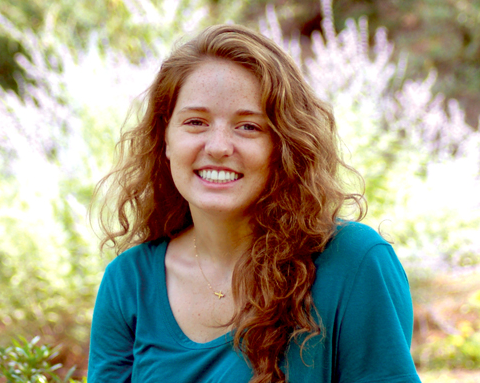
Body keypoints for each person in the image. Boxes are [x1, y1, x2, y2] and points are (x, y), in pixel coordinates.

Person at [88, 24, 421, 383]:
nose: (218, 146)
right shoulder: (127, 282)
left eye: (248, 127)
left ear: (284, 145)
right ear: (165, 138)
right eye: (196, 122)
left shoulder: (353, 263)